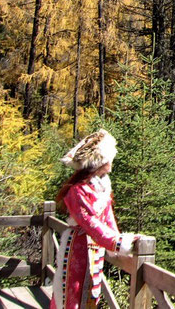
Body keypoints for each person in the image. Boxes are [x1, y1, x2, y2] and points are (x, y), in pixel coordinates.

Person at [51, 129, 137, 309]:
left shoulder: (103, 185)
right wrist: (117, 243)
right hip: (77, 247)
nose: (112, 161)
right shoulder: (77, 191)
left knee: (91, 294)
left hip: (95, 248)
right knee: (73, 294)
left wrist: (118, 240)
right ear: (99, 162)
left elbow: (108, 217)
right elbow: (90, 222)